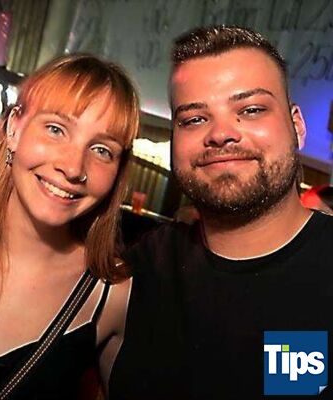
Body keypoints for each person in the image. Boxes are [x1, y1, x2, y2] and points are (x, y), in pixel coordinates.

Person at [109, 26, 333, 399]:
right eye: (194, 119)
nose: (221, 134)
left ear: (297, 126)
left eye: (251, 109)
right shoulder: (140, 269)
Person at [0, 54, 139, 399]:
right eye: (56, 129)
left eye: (102, 149)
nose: (73, 167)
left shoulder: (113, 295)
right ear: (14, 128)